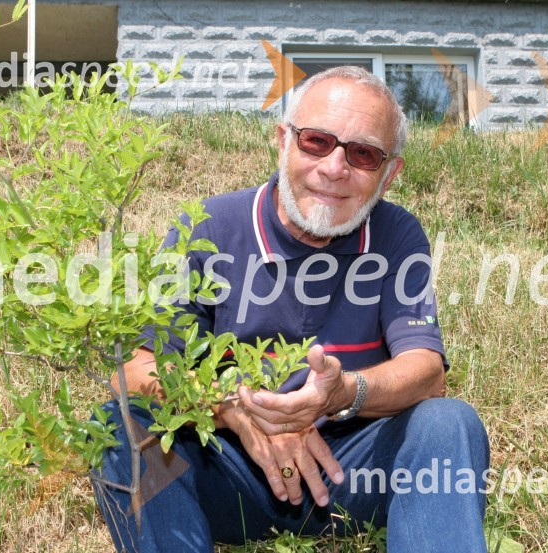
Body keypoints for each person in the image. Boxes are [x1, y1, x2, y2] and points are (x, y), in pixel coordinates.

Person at [93, 66, 490, 553]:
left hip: (353, 474)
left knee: (449, 423)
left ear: (389, 174)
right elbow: (131, 370)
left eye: (363, 154)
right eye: (316, 141)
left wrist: (343, 392)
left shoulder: (398, 235)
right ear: (282, 141)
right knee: (123, 424)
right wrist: (229, 408)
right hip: (232, 470)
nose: (335, 168)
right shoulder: (210, 228)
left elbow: (428, 373)